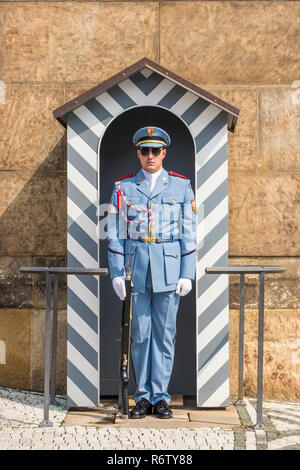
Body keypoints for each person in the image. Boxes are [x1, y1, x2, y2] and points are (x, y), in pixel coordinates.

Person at [107, 126, 197, 419]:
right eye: (144, 150)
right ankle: (142, 397)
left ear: (164, 153)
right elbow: (115, 233)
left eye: (155, 150)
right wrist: (117, 272)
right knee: (141, 336)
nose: (150, 156)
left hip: (170, 271)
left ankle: (161, 397)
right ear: (138, 153)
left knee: (164, 336)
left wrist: (188, 272)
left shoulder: (181, 186)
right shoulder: (123, 187)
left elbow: (189, 232)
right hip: (137, 271)